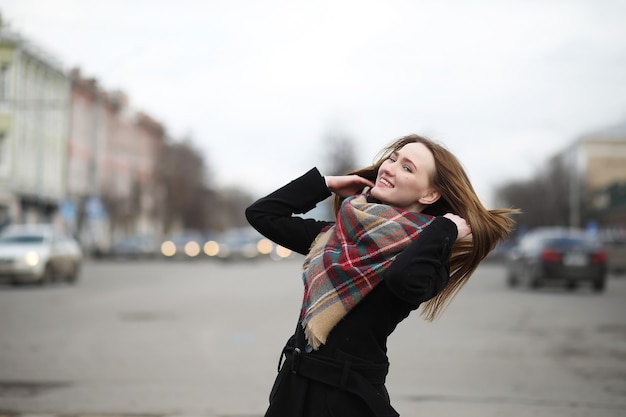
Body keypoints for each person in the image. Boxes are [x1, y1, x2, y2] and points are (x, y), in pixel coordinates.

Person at [245, 134, 518, 417]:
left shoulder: (429, 262)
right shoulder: (335, 236)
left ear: (428, 195)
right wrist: (325, 183)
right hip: (293, 393)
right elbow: (262, 214)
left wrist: (442, 230)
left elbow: (401, 278)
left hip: (346, 401)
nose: (389, 167)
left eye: (407, 167)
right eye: (392, 158)